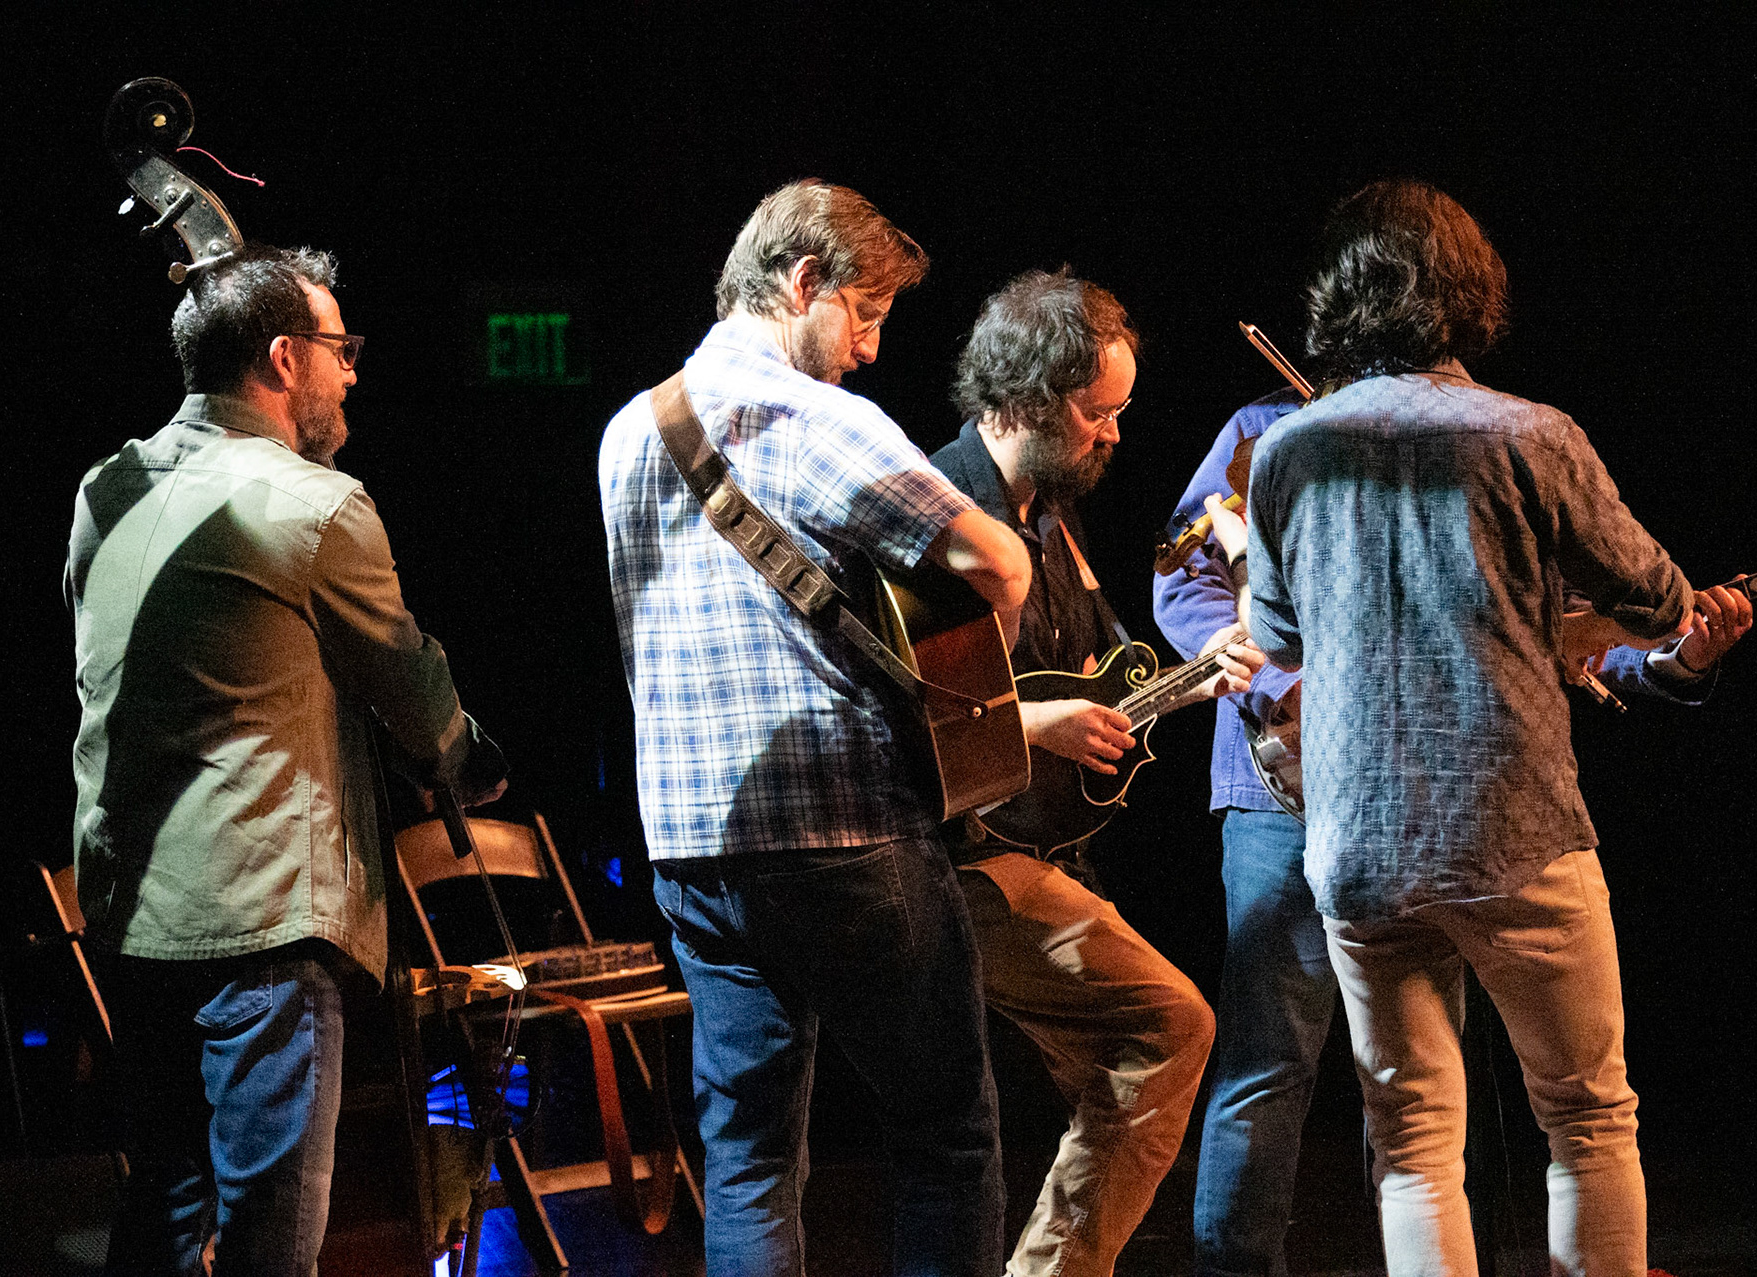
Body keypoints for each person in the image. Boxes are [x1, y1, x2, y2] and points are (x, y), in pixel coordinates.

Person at [1207, 178, 1749, 1275]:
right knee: (1587, 1117)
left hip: (1359, 843)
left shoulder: (1290, 449)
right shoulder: (1531, 434)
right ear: (1468, 293)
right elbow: (1657, 600)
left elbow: (1276, 630)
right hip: (1516, 830)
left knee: (1412, 1145)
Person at [597, 180, 1031, 1275]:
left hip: (691, 843)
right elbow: (999, 560)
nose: (870, 349)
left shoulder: (626, 432)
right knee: (946, 1134)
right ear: (804, 284)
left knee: (746, 1158)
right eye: (865, 314)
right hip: (843, 831)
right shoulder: (814, 416)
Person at [68, 244, 505, 1276]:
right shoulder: (317, 506)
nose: (351, 371)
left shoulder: (105, 490)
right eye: (339, 348)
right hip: (265, 927)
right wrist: (465, 757)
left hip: (134, 915)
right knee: (274, 1234)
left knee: (166, 1209)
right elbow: (413, 690)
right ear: (281, 357)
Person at [930, 268, 1247, 1277]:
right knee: (1168, 1026)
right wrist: (1042, 724)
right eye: (1094, 411)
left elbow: (1109, 683)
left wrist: (1198, 678)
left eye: (1119, 411)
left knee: (1130, 1074)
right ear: (1024, 396)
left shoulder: (1052, 517)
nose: (1113, 434)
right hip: (965, 860)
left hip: (1041, 853)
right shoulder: (945, 518)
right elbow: (919, 718)